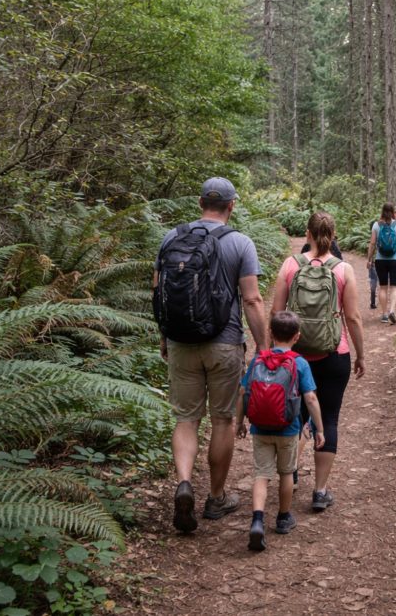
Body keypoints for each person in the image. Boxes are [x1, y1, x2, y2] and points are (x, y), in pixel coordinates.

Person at [153, 177, 268, 534]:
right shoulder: (240, 243)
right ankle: (215, 498)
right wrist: (264, 348)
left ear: (201, 202)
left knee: (186, 419)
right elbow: (251, 299)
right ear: (231, 205)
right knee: (222, 421)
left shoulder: (171, 238)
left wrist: (165, 336)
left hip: (181, 343)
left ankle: (185, 482)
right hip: (224, 342)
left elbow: (159, 293)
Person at [270, 211, 365, 513]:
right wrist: (361, 354)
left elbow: (276, 312)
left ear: (307, 235)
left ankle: (291, 474)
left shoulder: (290, 264)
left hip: (295, 356)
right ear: (333, 236)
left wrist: (275, 352)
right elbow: (352, 317)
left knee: (294, 417)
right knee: (330, 418)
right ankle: (320, 490)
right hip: (333, 354)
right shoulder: (344, 269)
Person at [236, 311, 325, 551]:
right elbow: (310, 398)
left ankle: (257, 520)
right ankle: (283, 517)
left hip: (260, 428)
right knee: (286, 473)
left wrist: (239, 422)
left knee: (261, 474)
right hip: (288, 428)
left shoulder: (257, 361)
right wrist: (319, 428)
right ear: (297, 336)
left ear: (271, 334)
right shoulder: (300, 362)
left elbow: (243, 392)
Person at [367, 203, 396, 325]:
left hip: (380, 260)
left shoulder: (376, 225)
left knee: (383, 287)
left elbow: (372, 243)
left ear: (382, 211)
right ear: (392, 212)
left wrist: (369, 259)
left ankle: (385, 315)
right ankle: (392, 310)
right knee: (395, 287)